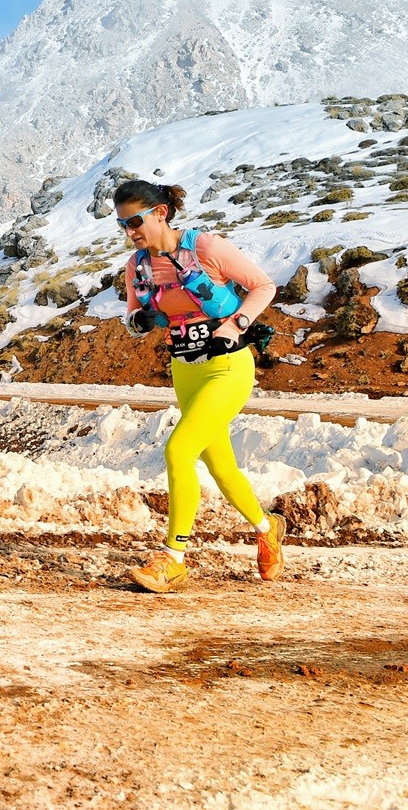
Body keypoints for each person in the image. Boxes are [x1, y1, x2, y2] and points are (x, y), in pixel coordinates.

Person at [113, 179, 286, 592]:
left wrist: (236, 324)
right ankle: (268, 529)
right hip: (184, 368)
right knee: (220, 465)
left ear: (161, 213)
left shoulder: (205, 247)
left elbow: (264, 285)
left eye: (135, 220)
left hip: (227, 366)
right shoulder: (136, 266)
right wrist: (140, 321)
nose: (130, 230)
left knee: (179, 449)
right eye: (122, 224)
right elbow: (133, 317)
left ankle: (173, 559)